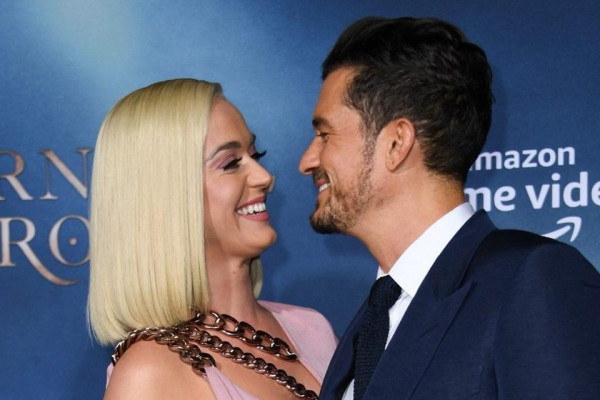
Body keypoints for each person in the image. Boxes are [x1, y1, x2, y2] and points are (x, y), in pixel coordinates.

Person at [298, 17, 600, 400]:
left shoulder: (533, 281)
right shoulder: (372, 320)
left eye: (325, 135)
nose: (307, 161)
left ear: (397, 143)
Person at [88, 78, 337, 400]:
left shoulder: (312, 328)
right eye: (231, 163)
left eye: (255, 154)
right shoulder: (149, 375)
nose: (264, 177)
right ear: (165, 195)